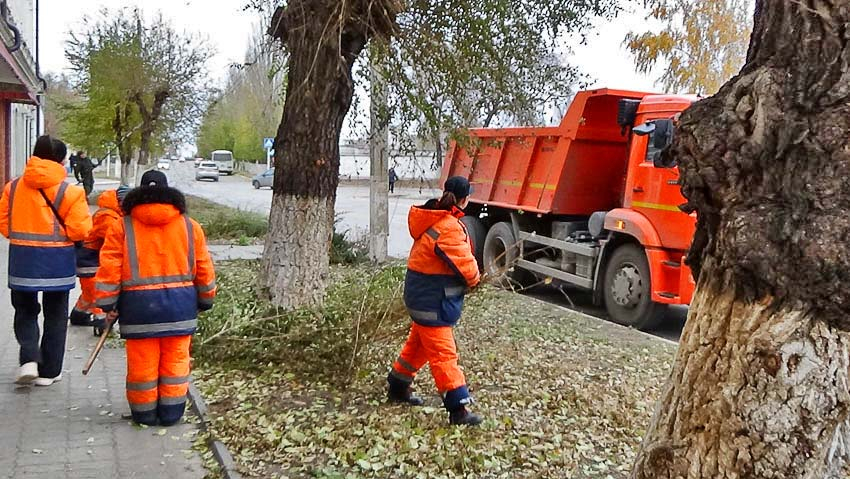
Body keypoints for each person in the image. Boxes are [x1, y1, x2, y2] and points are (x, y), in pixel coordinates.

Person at [94, 170, 216, 426]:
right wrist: (206, 297)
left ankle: (144, 414)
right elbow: (203, 265)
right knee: (175, 362)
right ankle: (171, 415)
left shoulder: (122, 226)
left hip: (139, 309)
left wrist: (107, 302)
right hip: (180, 307)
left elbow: (110, 265)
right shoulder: (189, 226)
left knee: (142, 364)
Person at [386, 176, 483, 426]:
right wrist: (475, 280)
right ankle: (458, 409)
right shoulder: (449, 227)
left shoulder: (436, 216)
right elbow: (468, 270)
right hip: (432, 301)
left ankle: (398, 385)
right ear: (464, 200)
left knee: (417, 346)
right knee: (443, 354)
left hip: (421, 297)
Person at [0, 135, 92, 386]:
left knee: (25, 311)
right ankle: (50, 372)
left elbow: (5, 225)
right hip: (57, 262)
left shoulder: (13, 187)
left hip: (22, 259)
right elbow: (79, 231)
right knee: (55, 315)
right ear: (62, 160)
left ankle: (29, 358)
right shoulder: (71, 192)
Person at [69, 185, 131, 330]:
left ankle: (78, 316)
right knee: (97, 293)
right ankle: (101, 323)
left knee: (89, 293)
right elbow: (115, 238)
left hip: (89, 259)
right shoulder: (107, 217)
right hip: (90, 261)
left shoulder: (111, 214)